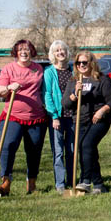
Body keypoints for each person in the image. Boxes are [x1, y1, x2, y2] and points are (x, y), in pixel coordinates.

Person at [0, 39, 47, 196]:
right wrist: (10, 87)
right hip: (13, 116)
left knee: (34, 150)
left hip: (36, 116)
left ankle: (32, 183)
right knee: (7, 146)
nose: (24, 52)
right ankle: (5, 182)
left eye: (27, 49)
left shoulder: (38, 69)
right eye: (20, 49)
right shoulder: (9, 68)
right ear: (16, 52)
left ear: (32, 51)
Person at [61, 52, 111, 194]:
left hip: (99, 120)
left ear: (91, 63)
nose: (81, 65)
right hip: (80, 120)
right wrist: (74, 95)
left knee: (87, 145)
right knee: (86, 149)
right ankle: (99, 185)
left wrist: (102, 111)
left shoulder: (101, 79)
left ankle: (85, 181)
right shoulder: (73, 81)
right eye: (78, 63)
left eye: (85, 62)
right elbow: (66, 104)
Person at [43, 40, 75, 193]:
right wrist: (54, 116)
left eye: (63, 50)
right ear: (53, 54)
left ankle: (72, 179)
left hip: (73, 116)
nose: (60, 52)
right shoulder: (49, 72)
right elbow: (47, 95)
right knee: (58, 151)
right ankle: (60, 184)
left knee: (72, 149)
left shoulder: (73, 70)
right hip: (57, 116)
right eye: (57, 51)